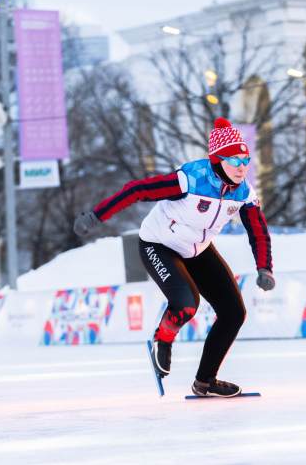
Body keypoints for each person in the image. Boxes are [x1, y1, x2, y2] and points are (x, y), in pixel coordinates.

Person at [73, 117, 275, 398]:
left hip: (198, 250)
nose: (243, 167)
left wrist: (265, 267)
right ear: (218, 160)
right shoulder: (189, 180)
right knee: (186, 304)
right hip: (159, 244)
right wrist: (96, 215)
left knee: (234, 313)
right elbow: (137, 190)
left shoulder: (243, 194)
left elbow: (258, 231)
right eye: (236, 160)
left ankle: (205, 381)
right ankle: (163, 339)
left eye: (246, 160)